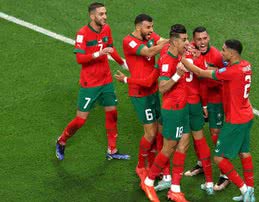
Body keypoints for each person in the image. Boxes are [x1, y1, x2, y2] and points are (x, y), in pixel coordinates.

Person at [181, 39, 256, 202]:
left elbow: (201, 73)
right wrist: (199, 57)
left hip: (235, 120)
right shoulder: (246, 65)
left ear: (232, 52)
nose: (221, 53)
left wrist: (184, 59)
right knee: (244, 152)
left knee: (219, 158)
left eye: (224, 50)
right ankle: (251, 190)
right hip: (247, 115)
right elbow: (218, 66)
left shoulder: (231, 72)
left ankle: (245, 190)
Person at [55, 2, 130, 161]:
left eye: (105, 13)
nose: (105, 17)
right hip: (90, 84)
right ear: (92, 16)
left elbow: (111, 48)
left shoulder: (106, 29)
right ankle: (61, 140)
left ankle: (112, 149)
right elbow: (80, 59)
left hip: (106, 80)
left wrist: (124, 64)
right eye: (101, 14)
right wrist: (99, 53)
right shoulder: (82, 33)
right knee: (81, 120)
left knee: (112, 112)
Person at [140, 24, 190, 202]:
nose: (187, 42)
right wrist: (176, 75)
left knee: (184, 143)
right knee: (169, 148)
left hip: (182, 107)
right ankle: (148, 181)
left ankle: (175, 189)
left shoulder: (177, 53)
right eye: (184, 40)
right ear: (175, 42)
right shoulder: (169, 60)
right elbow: (162, 87)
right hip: (173, 109)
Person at [122, 14, 169, 181]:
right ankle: (141, 165)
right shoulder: (129, 41)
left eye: (152, 27)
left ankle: (155, 162)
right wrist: (170, 43)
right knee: (150, 132)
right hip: (139, 92)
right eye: (148, 27)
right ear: (138, 27)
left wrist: (168, 42)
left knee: (158, 129)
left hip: (153, 89)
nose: (152, 30)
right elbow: (149, 51)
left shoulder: (150, 36)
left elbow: (161, 40)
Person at [183, 26, 229, 191]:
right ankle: (201, 163)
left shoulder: (217, 55)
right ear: (194, 40)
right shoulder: (191, 52)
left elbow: (225, 76)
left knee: (216, 135)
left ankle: (225, 174)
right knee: (197, 132)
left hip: (215, 100)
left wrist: (208, 70)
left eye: (204, 39)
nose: (202, 42)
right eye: (198, 39)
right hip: (197, 99)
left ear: (208, 38)